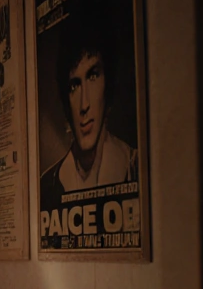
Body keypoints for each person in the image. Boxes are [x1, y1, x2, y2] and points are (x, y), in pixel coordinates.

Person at [39, 11, 138, 207]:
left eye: (93, 76)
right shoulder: (48, 184)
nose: (84, 105)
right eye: (74, 86)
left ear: (108, 82)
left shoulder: (134, 167)